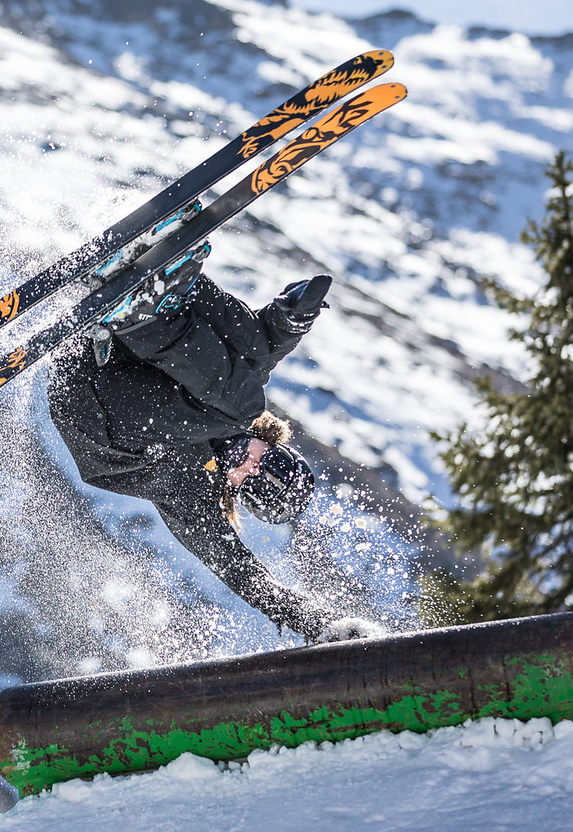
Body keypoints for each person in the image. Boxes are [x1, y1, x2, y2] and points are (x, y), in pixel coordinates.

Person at [47, 241, 382, 642]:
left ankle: (146, 310)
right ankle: (166, 280)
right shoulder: (224, 414)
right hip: (107, 356)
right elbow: (258, 358)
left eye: (259, 488)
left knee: (243, 398)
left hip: (90, 406)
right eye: (273, 466)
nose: (257, 471)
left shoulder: (196, 492)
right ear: (272, 445)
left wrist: (317, 623)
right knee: (254, 359)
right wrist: (290, 321)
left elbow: (243, 572)